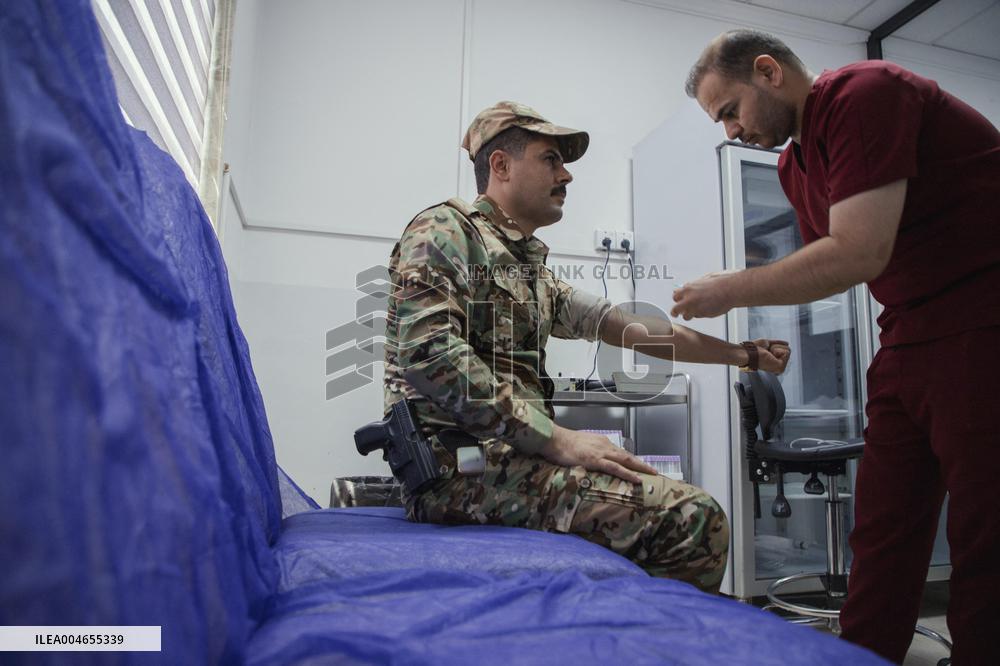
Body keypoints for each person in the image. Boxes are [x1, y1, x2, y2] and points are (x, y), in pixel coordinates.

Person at [679, 29, 1000, 663]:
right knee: (881, 530)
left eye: (729, 112)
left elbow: (856, 251)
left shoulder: (864, 92)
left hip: (982, 317)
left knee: (984, 530)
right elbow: (826, 269)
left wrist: (731, 291)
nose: (731, 132)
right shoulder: (793, 166)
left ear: (768, 72)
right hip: (906, 335)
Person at [382, 101, 790, 594]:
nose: (567, 175)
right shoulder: (444, 232)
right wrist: (559, 440)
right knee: (693, 517)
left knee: (662, 495)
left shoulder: (530, 271)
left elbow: (633, 329)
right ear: (501, 165)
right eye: (551, 159)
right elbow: (430, 355)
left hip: (504, 460)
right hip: (458, 471)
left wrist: (741, 355)